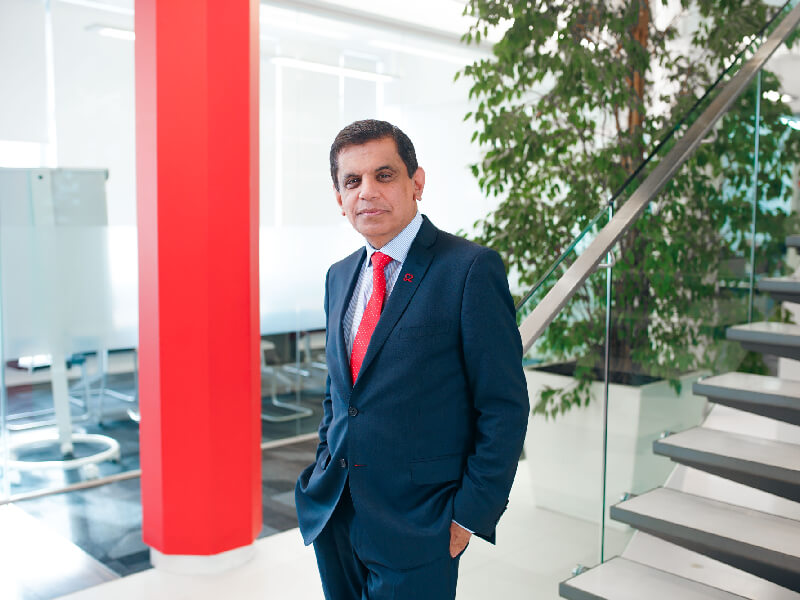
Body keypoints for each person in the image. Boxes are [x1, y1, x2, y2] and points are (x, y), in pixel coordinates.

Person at [295, 119, 529, 600]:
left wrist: (469, 514)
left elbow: (503, 406)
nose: (367, 192)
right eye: (352, 181)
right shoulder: (339, 276)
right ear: (339, 198)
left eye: (383, 175)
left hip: (421, 522)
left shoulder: (468, 269)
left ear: (416, 182)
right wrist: (322, 463)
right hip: (335, 511)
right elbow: (340, 394)